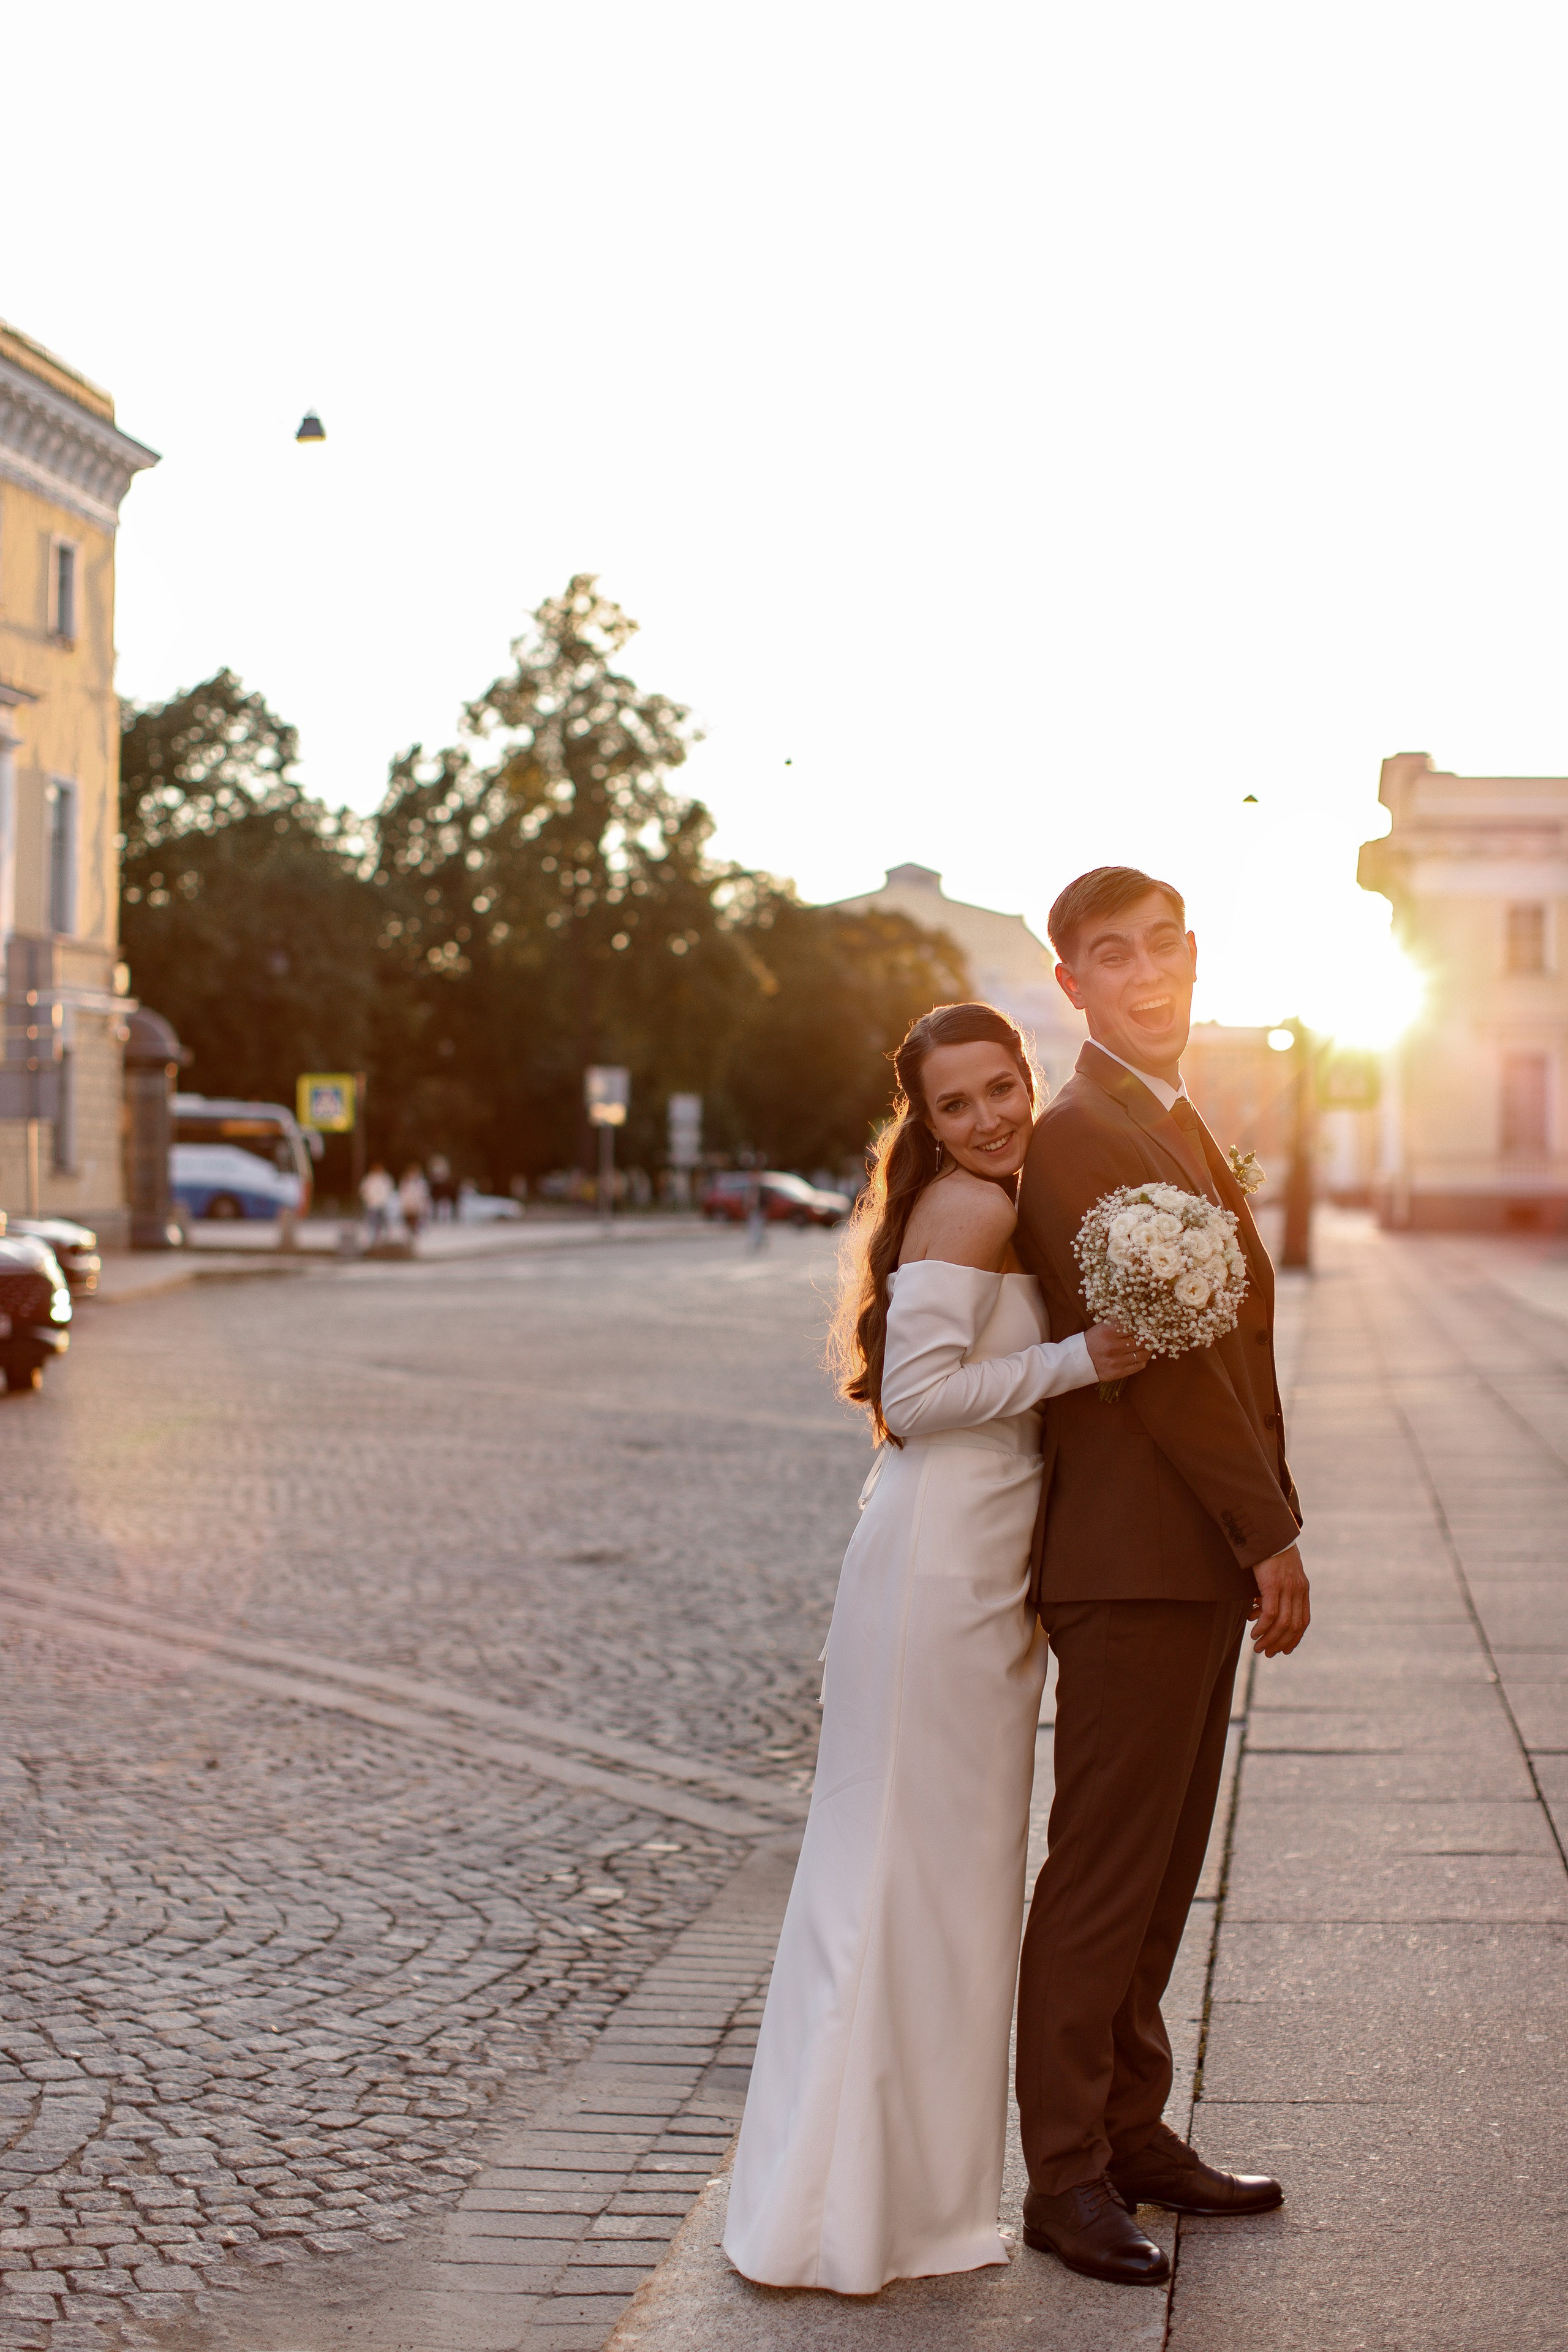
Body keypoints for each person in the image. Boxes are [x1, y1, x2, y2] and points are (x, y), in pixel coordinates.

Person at [722, 1002, 1147, 2295]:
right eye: (953, 1104)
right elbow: (913, 1404)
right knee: (905, 1871)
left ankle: (889, 2197)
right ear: (926, 1118)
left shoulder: (1003, 1196)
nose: (986, 1118)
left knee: (939, 1880)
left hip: (977, 1569)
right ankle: (844, 2209)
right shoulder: (965, 1210)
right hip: (936, 1577)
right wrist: (1080, 1359)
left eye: (1000, 1088)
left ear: (1029, 1077)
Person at [1010, 865, 1310, 2287]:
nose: (1148, 970)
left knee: (1160, 1875)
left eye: (1165, 944)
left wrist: (1258, 1518)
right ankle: (1061, 2172)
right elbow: (1173, 1370)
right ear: (1069, 983)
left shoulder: (1169, 1115)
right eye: (1110, 954)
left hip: (1182, 1556)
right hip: (1131, 1561)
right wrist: (1269, 1528)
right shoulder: (1079, 1131)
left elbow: (1226, 1344)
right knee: (1101, 1876)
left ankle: (1132, 2128)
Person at [359, 1163, 394, 1243]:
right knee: (372, 1223)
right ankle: (372, 1238)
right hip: (372, 1205)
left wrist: (386, 1200)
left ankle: (386, 1238)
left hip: (383, 1205)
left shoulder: (386, 1179)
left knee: (383, 1222)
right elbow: (363, 1191)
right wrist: (369, 1200)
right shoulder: (369, 1179)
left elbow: (390, 1190)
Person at [399, 1163, 432, 1234]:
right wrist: (406, 1202)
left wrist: (423, 1203)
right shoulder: (406, 1181)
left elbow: (424, 1193)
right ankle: (410, 1231)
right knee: (410, 1218)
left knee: (417, 1218)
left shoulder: (421, 1182)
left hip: (418, 1203)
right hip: (409, 1203)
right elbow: (403, 1193)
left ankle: (417, 1230)